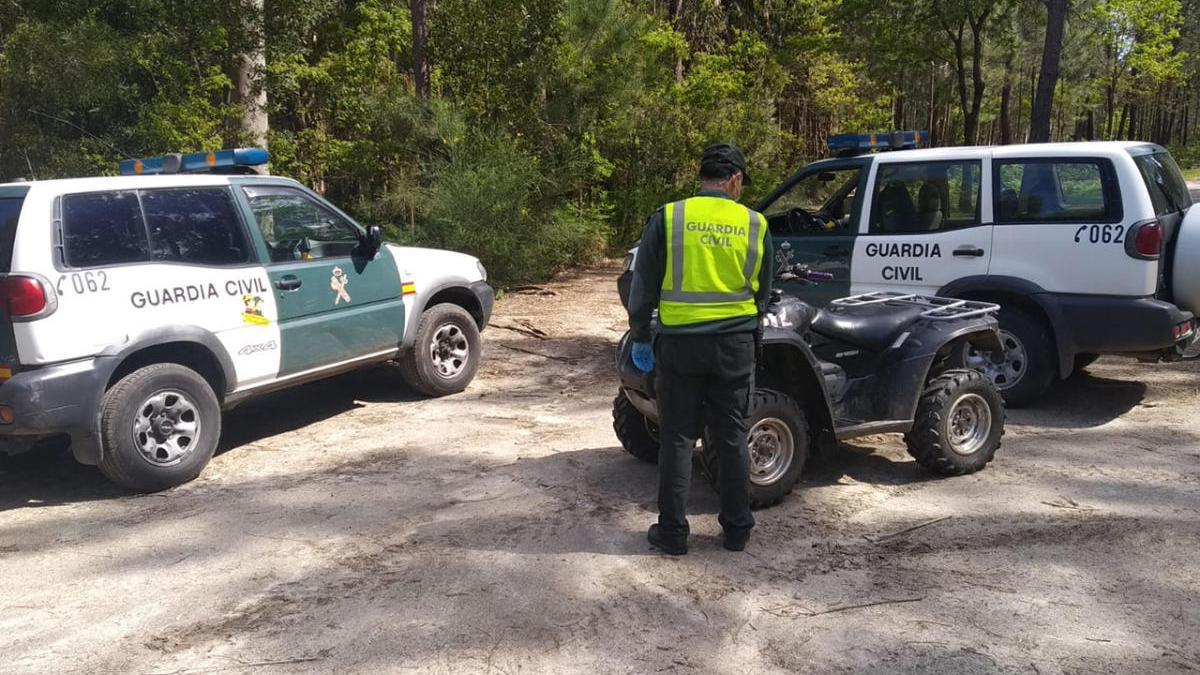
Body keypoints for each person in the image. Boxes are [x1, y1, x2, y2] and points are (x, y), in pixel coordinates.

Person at [625, 143, 774, 555]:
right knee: (731, 438)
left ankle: (673, 534)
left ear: (703, 178)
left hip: (680, 349)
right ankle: (737, 531)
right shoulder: (756, 224)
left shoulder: (670, 218)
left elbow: (643, 290)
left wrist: (640, 336)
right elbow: (764, 291)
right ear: (735, 181)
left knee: (676, 440)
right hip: (735, 347)